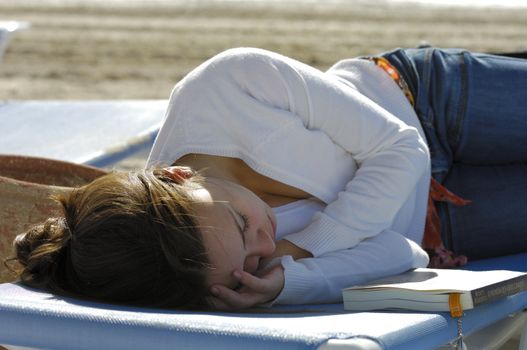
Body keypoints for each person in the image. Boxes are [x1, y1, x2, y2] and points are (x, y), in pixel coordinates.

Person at [10, 47, 527, 310]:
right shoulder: (215, 267)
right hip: (441, 229)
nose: (266, 240)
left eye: (240, 223)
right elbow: (404, 254)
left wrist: (308, 247)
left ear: (176, 173)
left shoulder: (224, 86)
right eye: (254, 256)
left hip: (426, 103)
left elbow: (400, 147)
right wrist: (292, 282)